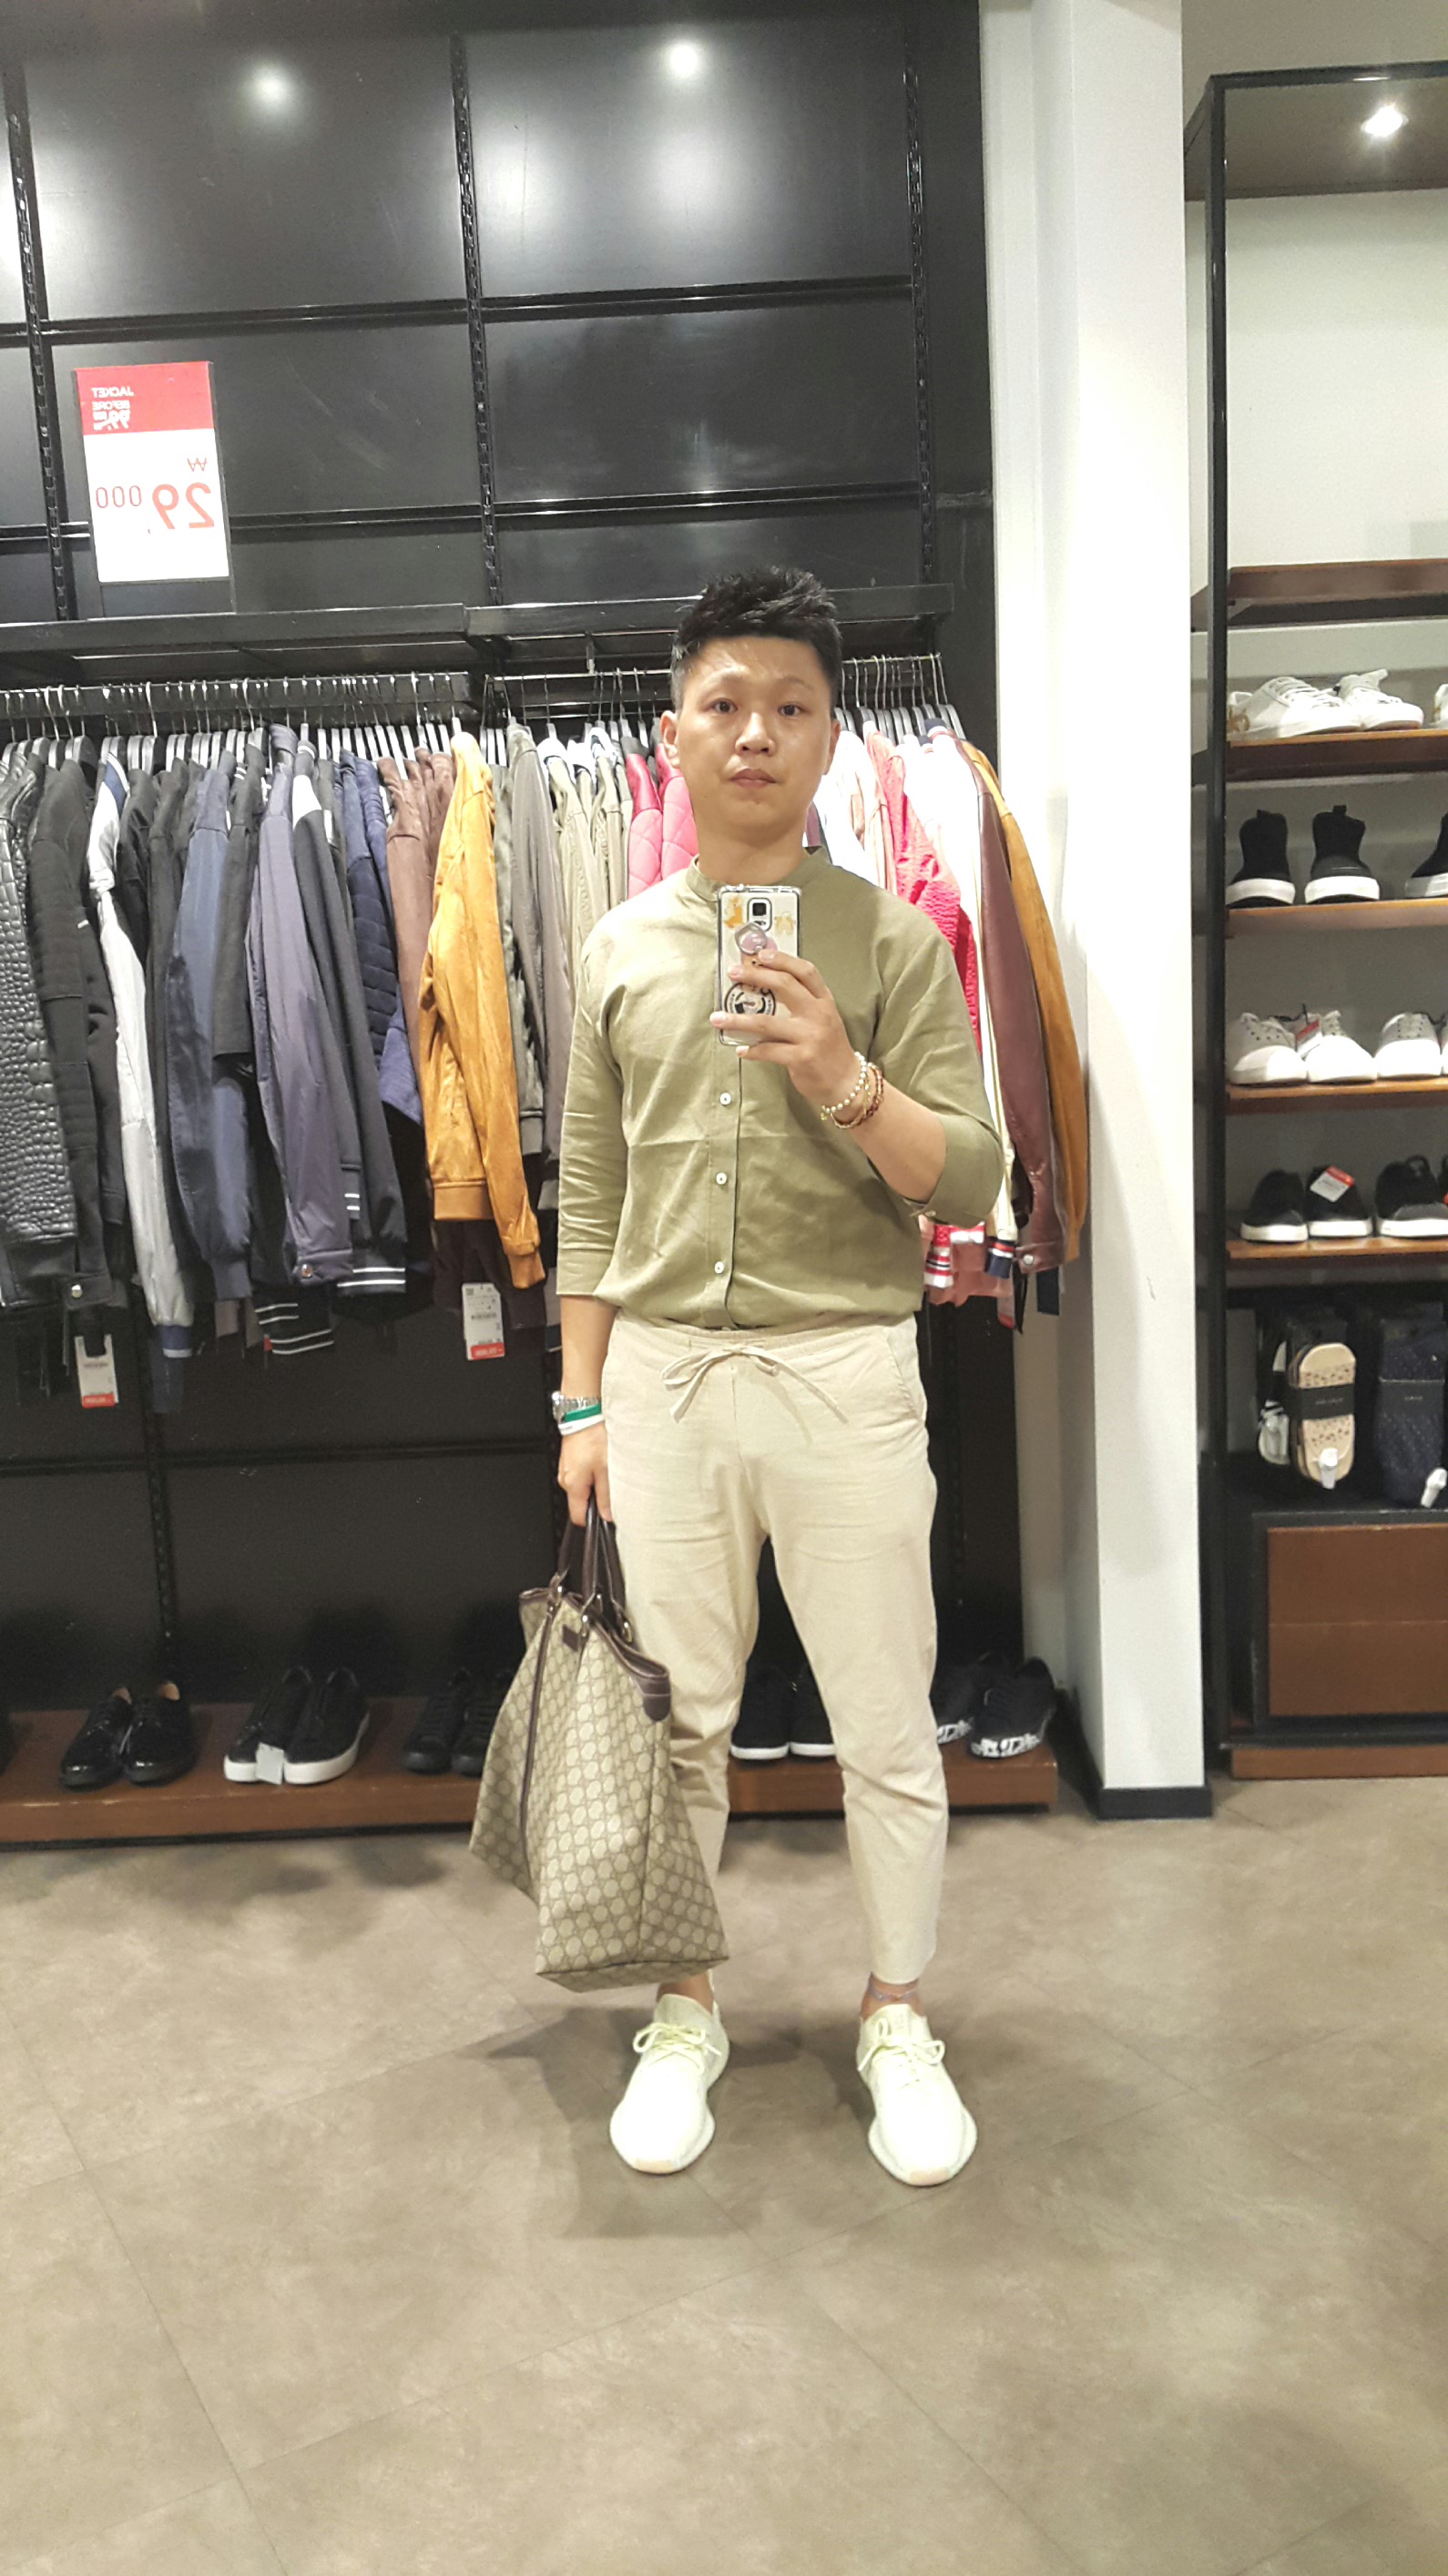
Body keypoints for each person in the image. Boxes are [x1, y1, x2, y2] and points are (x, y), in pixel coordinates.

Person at [556, 567, 1003, 2187]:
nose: (755, 732)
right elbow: (589, 1193)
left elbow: (971, 1176)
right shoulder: (617, 948)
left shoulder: (893, 941)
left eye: (790, 706)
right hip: (664, 1380)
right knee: (682, 1724)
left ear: (829, 738)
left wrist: (844, 1076)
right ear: (671, 731)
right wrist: (579, 1404)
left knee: (885, 1717)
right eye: (725, 702)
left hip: (842, 1368)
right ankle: (684, 2009)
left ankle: (896, 2013)